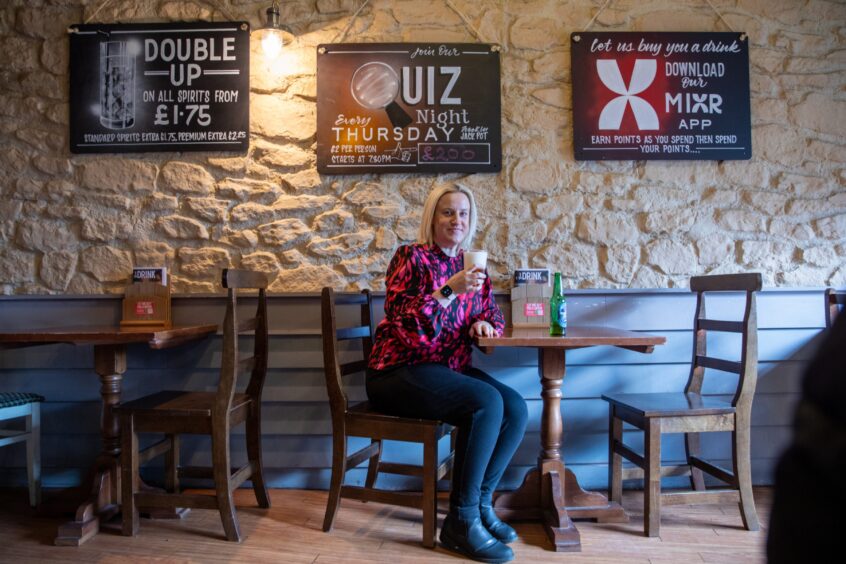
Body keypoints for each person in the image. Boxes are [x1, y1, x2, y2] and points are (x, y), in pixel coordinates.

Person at [367, 184, 528, 564]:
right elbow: (407, 325)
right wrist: (447, 290)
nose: (457, 220)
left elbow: (493, 315)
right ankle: (460, 521)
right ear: (433, 218)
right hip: (398, 370)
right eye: (448, 212)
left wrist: (485, 325)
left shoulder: (475, 269)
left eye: (463, 214)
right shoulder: (411, 257)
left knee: (515, 407)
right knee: (485, 401)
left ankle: (481, 505)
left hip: (446, 369)